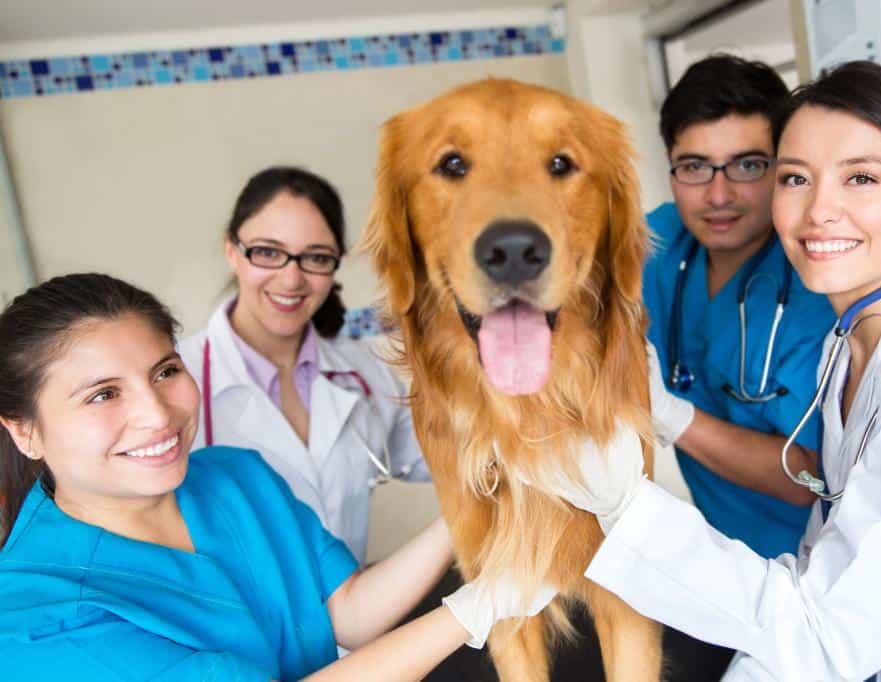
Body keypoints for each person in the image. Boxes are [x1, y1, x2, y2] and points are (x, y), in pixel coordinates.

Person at [533, 61, 881, 680]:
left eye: (862, 178)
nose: (820, 209)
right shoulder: (853, 343)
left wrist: (622, 506)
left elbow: (824, 637)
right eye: (797, 178)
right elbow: (821, 578)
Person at [0, 273, 553, 681]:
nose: (157, 413)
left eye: (165, 371)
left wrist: (479, 496)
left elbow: (350, 615)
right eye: (103, 394)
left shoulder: (236, 478)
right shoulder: (32, 619)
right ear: (25, 431)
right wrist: (483, 603)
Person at [643, 55, 836, 679]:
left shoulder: (817, 287)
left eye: (748, 166)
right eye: (695, 167)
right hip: (717, 560)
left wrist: (666, 414)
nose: (719, 195)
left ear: (783, 167)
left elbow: (807, 475)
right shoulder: (657, 242)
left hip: (816, 576)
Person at [179, 167, 428, 562]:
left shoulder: (362, 371)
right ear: (232, 251)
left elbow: (442, 454)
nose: (292, 279)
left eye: (316, 257)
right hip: (239, 622)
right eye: (268, 252)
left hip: (361, 614)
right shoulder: (178, 380)